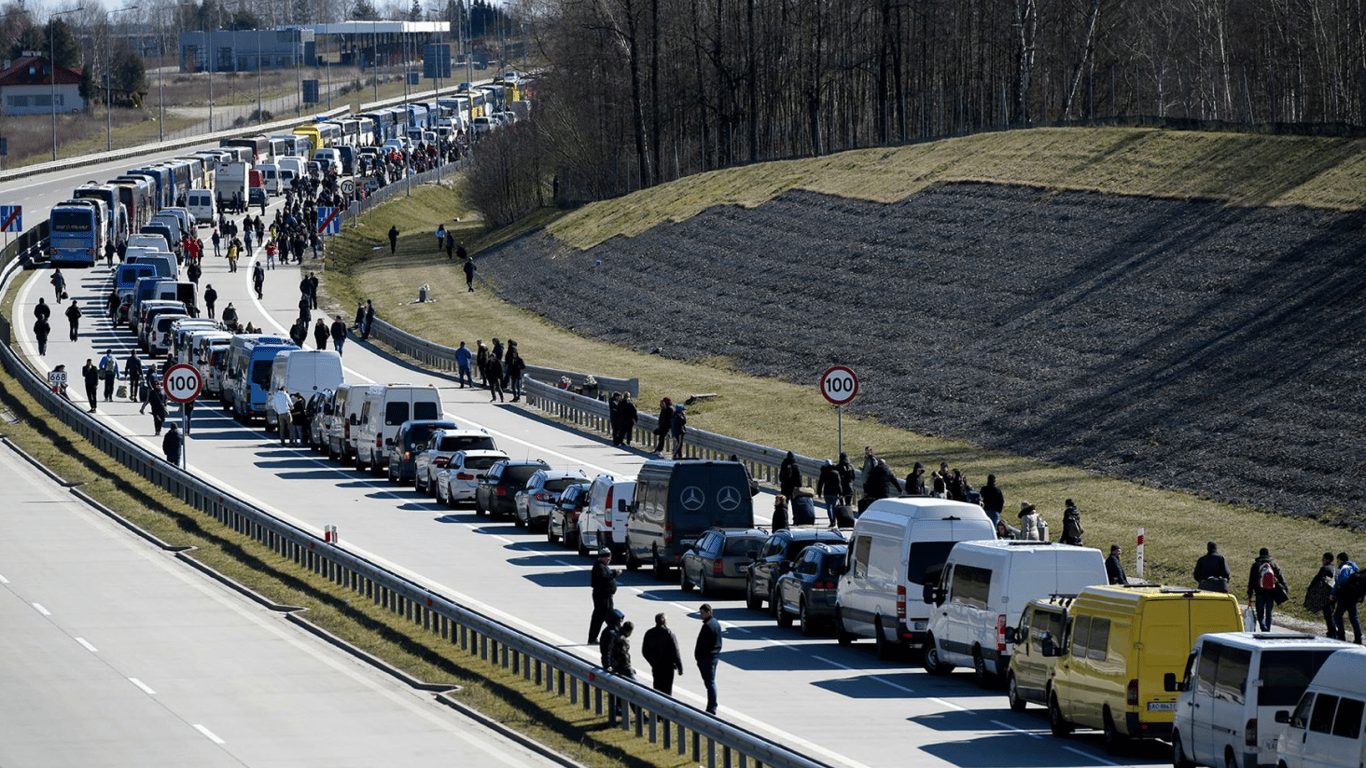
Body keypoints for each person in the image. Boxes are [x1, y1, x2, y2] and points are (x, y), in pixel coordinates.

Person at [642, 613, 684, 695]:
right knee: (667, 690)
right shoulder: (669, 633)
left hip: (656, 666)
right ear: (664, 621)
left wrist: (652, 662)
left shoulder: (649, 633)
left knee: (657, 688)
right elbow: (676, 652)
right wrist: (680, 667)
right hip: (668, 667)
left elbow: (644, 651)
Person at [1247, 547, 1287, 632]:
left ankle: (1263, 627)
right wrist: (1285, 587)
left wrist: (1250, 593)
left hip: (1259, 592)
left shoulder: (1256, 565)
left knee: (1260, 613)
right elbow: (1280, 576)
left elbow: (1251, 580)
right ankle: (1268, 630)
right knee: (1269, 612)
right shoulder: (1273, 564)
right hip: (1271, 592)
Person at [588, 548, 619, 644]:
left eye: (609, 557)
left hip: (604, 596)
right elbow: (604, 578)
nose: (609, 559)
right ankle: (615, 636)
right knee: (607, 616)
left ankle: (594, 638)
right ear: (602, 557)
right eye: (607, 557)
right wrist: (615, 573)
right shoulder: (599, 567)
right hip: (602, 596)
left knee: (600, 617)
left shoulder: (602, 566)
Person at [695, 603, 722, 715]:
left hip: (707, 658)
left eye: (702, 613)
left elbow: (704, 644)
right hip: (713, 657)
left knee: (710, 683)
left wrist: (700, 657)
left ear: (708, 612)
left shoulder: (708, 626)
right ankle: (711, 705)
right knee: (709, 682)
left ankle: (712, 707)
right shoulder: (715, 623)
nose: (701, 615)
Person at [1330, 552, 1362, 644]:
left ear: (1340, 560)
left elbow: (1340, 581)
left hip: (1345, 597)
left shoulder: (1345, 568)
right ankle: (1358, 639)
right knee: (1354, 618)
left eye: (1338, 560)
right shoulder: (1355, 568)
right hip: (1354, 597)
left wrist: (1333, 592)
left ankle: (1341, 636)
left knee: (1337, 616)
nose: (1337, 563)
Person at [1305, 551, 1337, 636]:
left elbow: (1316, 579)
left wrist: (1310, 588)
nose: (1322, 560)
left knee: (1328, 614)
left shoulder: (1325, 569)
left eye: (1323, 559)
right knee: (1331, 612)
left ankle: (1332, 632)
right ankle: (1333, 630)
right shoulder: (1335, 569)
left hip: (1325, 595)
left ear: (1327, 560)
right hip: (1334, 594)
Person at [817, 460, 841, 525]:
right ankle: (834, 519)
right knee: (834, 507)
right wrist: (840, 493)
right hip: (834, 493)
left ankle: (831, 521)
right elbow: (839, 484)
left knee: (828, 507)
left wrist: (819, 492)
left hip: (827, 492)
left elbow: (820, 483)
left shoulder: (823, 473)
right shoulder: (836, 473)